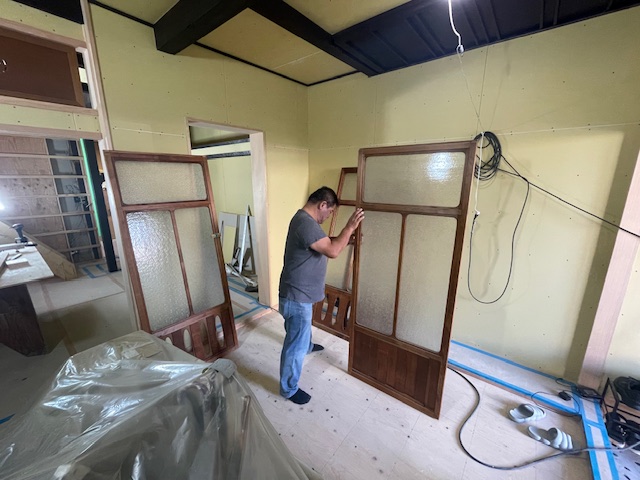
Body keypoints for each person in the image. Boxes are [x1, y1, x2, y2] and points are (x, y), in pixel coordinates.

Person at [278, 186, 365, 405]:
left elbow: (325, 242)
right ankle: (288, 389)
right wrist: (349, 227)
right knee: (294, 346)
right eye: (330, 212)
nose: (328, 217)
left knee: (301, 331)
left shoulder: (304, 221)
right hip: (296, 297)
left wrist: (346, 238)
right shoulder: (306, 224)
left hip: (299, 294)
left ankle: (307, 346)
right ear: (322, 205)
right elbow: (332, 250)